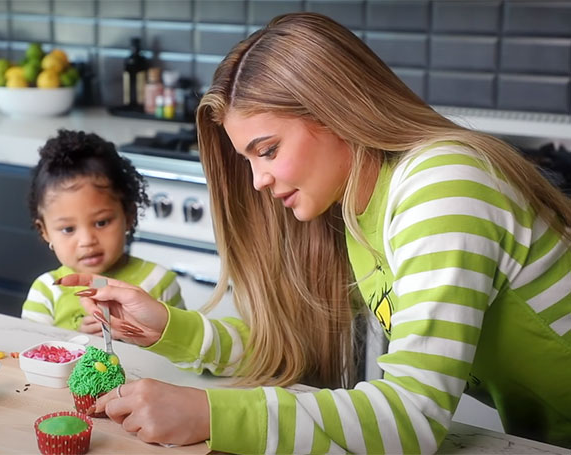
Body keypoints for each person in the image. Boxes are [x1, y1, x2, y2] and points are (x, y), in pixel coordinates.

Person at [58, 13, 571, 454]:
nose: (257, 181)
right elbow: (287, 348)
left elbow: (411, 417)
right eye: (247, 158)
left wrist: (209, 413)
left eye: (269, 150)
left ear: (335, 112)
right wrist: (170, 327)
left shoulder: (442, 187)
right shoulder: (356, 204)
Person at [21, 129, 185, 335]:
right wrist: (75, 339)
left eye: (101, 223)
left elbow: (185, 360)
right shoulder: (46, 291)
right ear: (44, 231)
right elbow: (31, 353)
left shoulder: (159, 282)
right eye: (68, 229)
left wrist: (142, 338)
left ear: (128, 215)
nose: (87, 241)